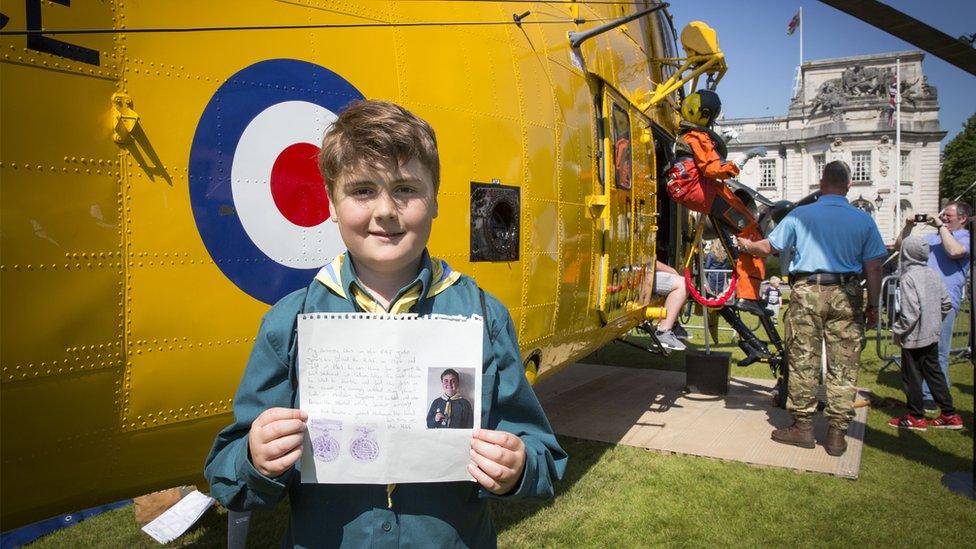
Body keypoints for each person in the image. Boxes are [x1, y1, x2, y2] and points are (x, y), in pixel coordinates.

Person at [204, 100, 567, 547]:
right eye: (361, 191)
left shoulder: (482, 317)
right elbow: (226, 474)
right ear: (331, 204)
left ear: (435, 199)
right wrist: (255, 458)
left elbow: (543, 456)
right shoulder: (291, 323)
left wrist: (518, 467)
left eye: (405, 189)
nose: (385, 211)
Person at [736, 160, 886, 456]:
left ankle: (803, 427)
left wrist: (745, 246)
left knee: (803, 359)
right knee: (844, 365)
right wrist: (873, 305)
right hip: (847, 291)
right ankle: (837, 434)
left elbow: (768, 247)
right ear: (848, 185)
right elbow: (875, 267)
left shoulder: (801, 214)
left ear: (821, 182)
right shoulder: (863, 219)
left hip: (807, 292)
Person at [666, 89, 766, 314]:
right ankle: (748, 295)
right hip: (701, 191)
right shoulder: (698, 137)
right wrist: (743, 159)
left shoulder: (685, 136)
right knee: (750, 229)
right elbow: (712, 168)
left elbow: (703, 157)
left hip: (687, 188)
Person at [894, 202, 971, 413]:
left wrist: (940, 227)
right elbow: (901, 246)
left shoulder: (965, 237)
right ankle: (922, 398)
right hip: (921, 300)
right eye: (943, 215)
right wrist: (908, 227)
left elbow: (954, 251)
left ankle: (935, 400)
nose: (944, 218)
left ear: (963, 218)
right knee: (918, 352)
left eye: (949, 215)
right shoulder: (933, 238)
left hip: (944, 303)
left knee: (938, 354)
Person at [888, 236, 962, 430]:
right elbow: (946, 303)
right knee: (934, 373)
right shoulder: (932, 273)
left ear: (905, 253)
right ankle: (949, 414)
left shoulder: (908, 277)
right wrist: (932, 320)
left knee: (911, 377)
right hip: (932, 334)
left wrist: (897, 330)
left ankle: (915, 416)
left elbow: (910, 313)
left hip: (913, 337)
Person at [640, 261, 690, 351]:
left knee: (680, 281)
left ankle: (672, 325)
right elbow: (649, 260)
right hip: (640, 277)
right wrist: (672, 271)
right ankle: (663, 331)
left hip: (640, 275)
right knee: (683, 284)